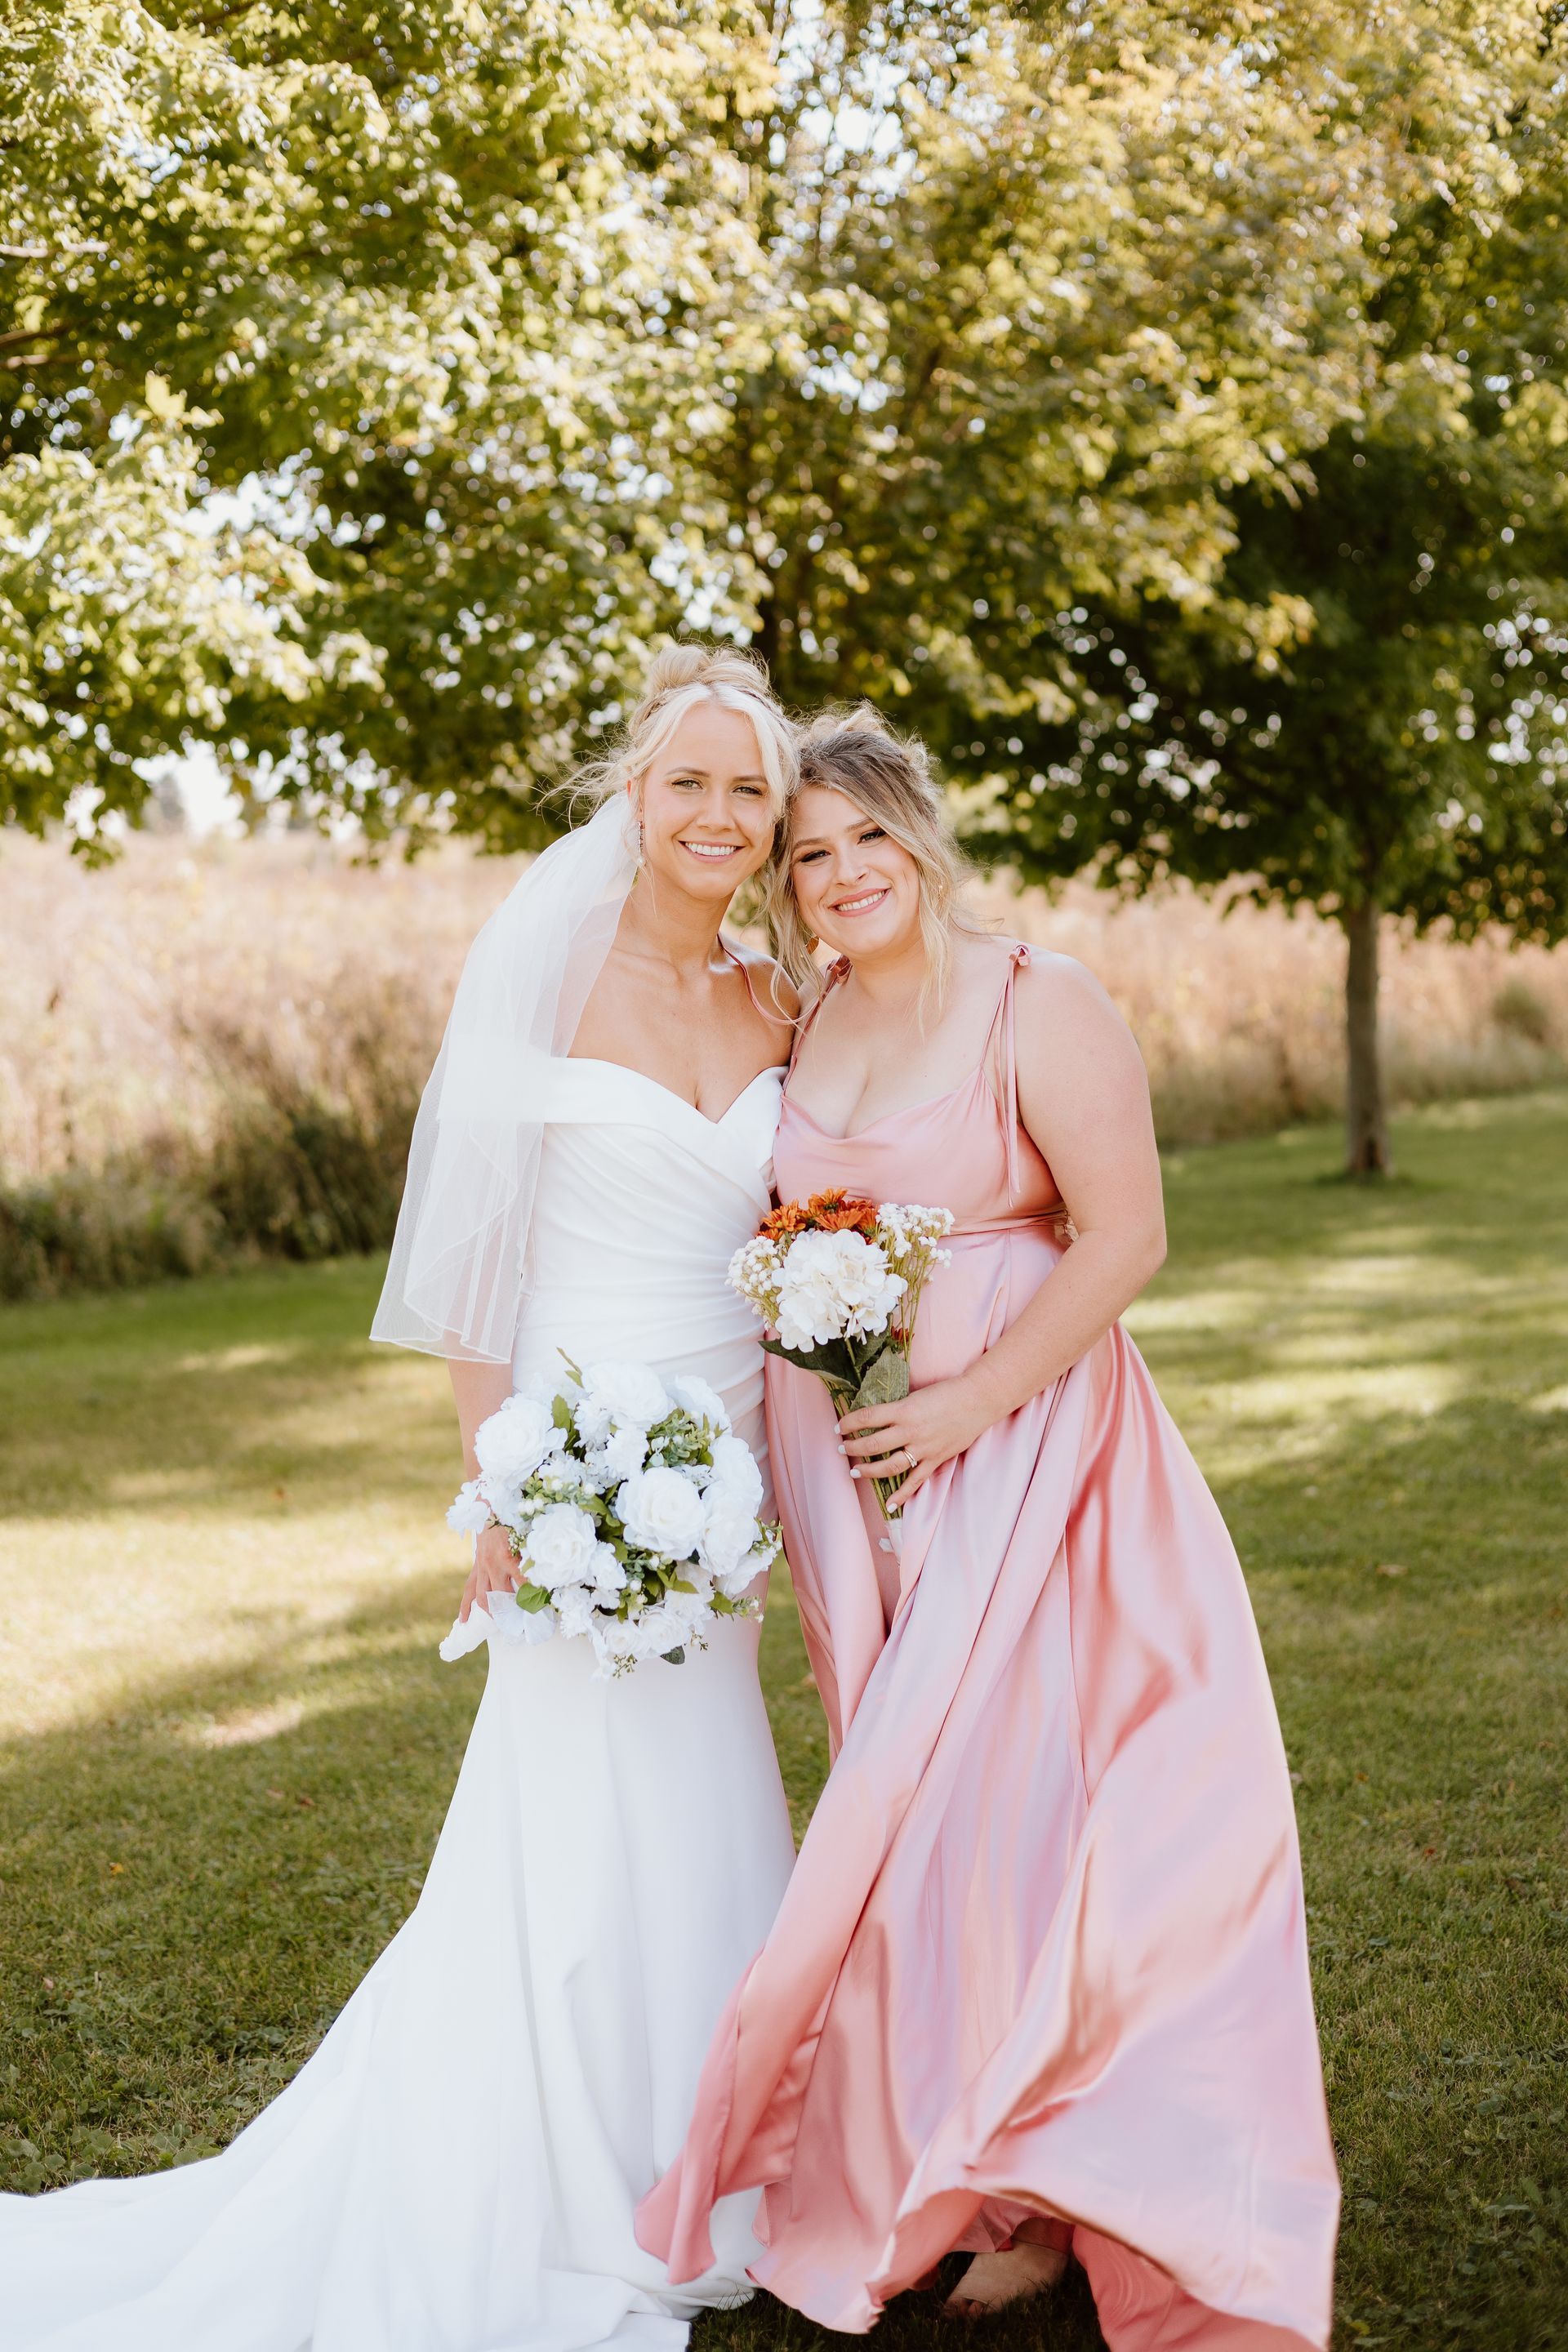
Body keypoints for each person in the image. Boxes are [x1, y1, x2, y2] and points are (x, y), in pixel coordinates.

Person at [0, 646, 801, 2352]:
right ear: (635, 797)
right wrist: (503, 1485)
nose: (721, 816)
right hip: (577, 1471)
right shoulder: (543, 973)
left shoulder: (776, 1001)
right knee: (565, 1822)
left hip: (723, 1485)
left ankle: (706, 2157)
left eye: (751, 789)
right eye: (691, 783)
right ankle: (557, 2181)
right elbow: (476, 1268)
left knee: (717, 1797)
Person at [638, 711, 1340, 2351]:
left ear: (918, 833)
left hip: (1037, 1458)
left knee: (1050, 1810)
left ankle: (1084, 2173)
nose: (842, 873)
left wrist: (966, 1406)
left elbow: (1126, 1235)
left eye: (863, 836)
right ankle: (991, 2182)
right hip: (857, 1482)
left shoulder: (1043, 999)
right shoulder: (804, 1029)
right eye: (809, 856)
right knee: (931, 1837)